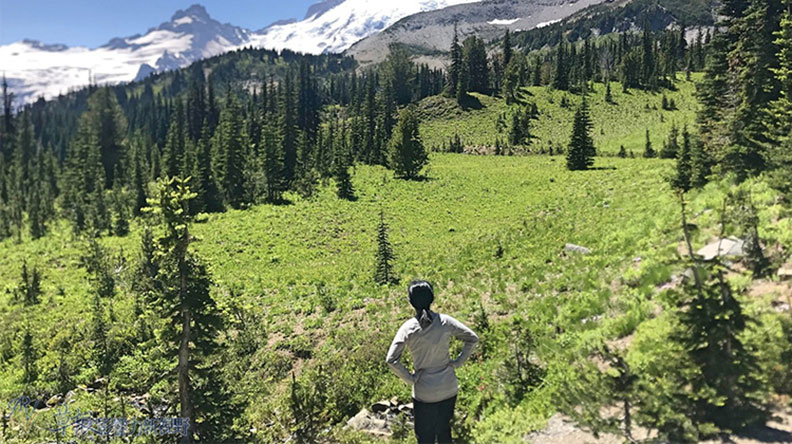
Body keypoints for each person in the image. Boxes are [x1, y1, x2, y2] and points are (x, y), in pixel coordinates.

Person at [385, 280, 479, 444]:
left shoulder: (408, 328)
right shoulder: (445, 321)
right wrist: (457, 363)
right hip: (449, 387)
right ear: (432, 298)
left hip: (424, 393)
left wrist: (411, 379)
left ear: (411, 302)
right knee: (444, 433)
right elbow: (472, 338)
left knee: (425, 438)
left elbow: (391, 360)